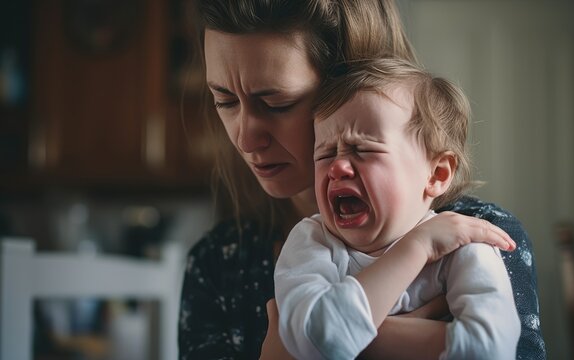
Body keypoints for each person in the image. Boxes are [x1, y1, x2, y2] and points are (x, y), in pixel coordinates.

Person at [178, 0, 546, 359]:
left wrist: (307, 345)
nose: (244, 139)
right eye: (225, 101)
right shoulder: (217, 264)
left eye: (278, 104)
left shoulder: (478, 236)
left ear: (350, 85)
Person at [274, 58, 520, 359]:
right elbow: (312, 340)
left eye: (362, 149)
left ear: (436, 175)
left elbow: (491, 350)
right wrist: (418, 247)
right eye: (324, 154)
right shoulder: (311, 242)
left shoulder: (461, 245)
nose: (337, 167)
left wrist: (344, 342)